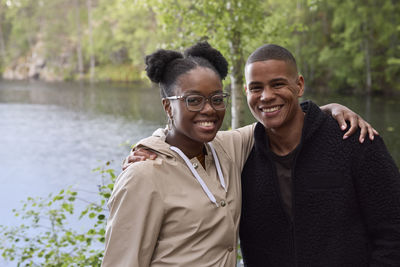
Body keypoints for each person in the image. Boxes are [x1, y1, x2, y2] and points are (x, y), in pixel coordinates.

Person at [239, 44, 400, 266]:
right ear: (246, 91)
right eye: (256, 88)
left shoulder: (355, 140)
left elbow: (393, 230)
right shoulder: (242, 157)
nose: (266, 96)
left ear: (299, 85)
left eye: (278, 84)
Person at [102, 42, 256, 266]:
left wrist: (325, 112)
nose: (209, 109)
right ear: (167, 107)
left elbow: (280, 121)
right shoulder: (144, 176)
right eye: (193, 100)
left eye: (217, 99)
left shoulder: (228, 148)